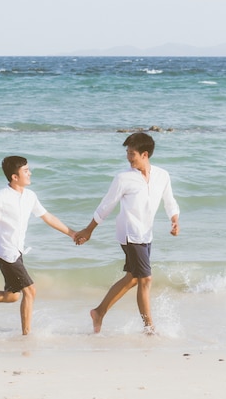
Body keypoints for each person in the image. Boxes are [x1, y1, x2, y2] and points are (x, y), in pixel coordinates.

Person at [0, 156, 76, 335]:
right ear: (15, 176)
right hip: (5, 250)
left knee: (12, 296)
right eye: (26, 171)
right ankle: (26, 336)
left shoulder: (30, 196)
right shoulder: (0, 197)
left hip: (17, 249)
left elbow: (47, 217)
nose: (30, 173)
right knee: (30, 291)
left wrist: (72, 233)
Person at [75, 132, 180, 335]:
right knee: (145, 279)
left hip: (146, 233)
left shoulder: (162, 175)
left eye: (132, 153)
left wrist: (174, 219)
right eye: (127, 153)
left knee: (133, 278)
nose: (128, 157)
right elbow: (106, 205)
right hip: (130, 233)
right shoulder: (123, 178)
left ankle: (99, 312)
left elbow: (170, 201)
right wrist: (89, 230)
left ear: (145, 154)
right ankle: (149, 328)